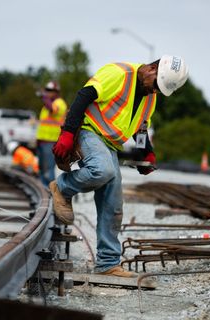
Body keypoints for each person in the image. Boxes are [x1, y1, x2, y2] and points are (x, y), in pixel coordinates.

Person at [49, 55, 189, 277]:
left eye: (160, 90)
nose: (155, 91)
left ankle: (107, 264)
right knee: (103, 170)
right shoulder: (120, 74)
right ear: (152, 68)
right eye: (156, 85)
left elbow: (140, 128)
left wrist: (147, 153)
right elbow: (83, 96)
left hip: (108, 143)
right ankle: (62, 186)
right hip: (88, 130)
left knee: (113, 204)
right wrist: (67, 133)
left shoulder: (149, 97)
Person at [36, 81, 68, 186]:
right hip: (42, 140)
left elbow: (53, 109)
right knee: (41, 168)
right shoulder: (47, 104)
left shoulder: (60, 103)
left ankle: (51, 192)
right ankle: (44, 190)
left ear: (56, 92)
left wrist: (44, 97)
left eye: (50, 91)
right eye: (46, 90)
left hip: (51, 141)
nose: (47, 93)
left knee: (49, 169)